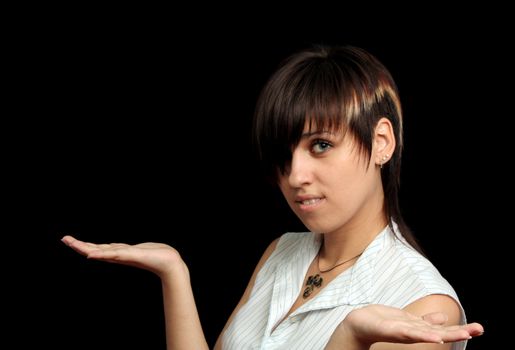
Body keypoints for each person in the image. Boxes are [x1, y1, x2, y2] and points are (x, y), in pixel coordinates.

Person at [61, 45, 484, 349]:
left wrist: (348, 337)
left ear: (381, 143)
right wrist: (175, 274)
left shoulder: (424, 306)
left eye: (320, 145)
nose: (295, 176)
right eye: (283, 155)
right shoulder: (282, 252)